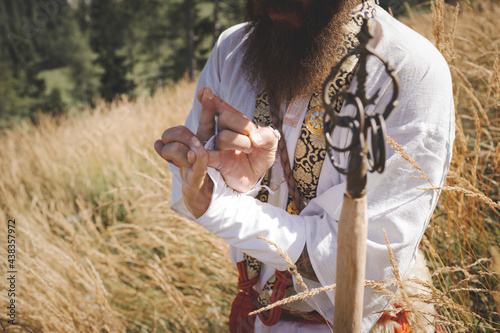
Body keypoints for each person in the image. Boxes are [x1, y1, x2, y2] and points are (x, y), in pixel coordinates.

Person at [154, 0, 454, 332]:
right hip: (258, 319)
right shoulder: (233, 51)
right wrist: (223, 180)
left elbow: (359, 266)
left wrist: (221, 207)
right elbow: (189, 185)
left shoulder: (408, 70)